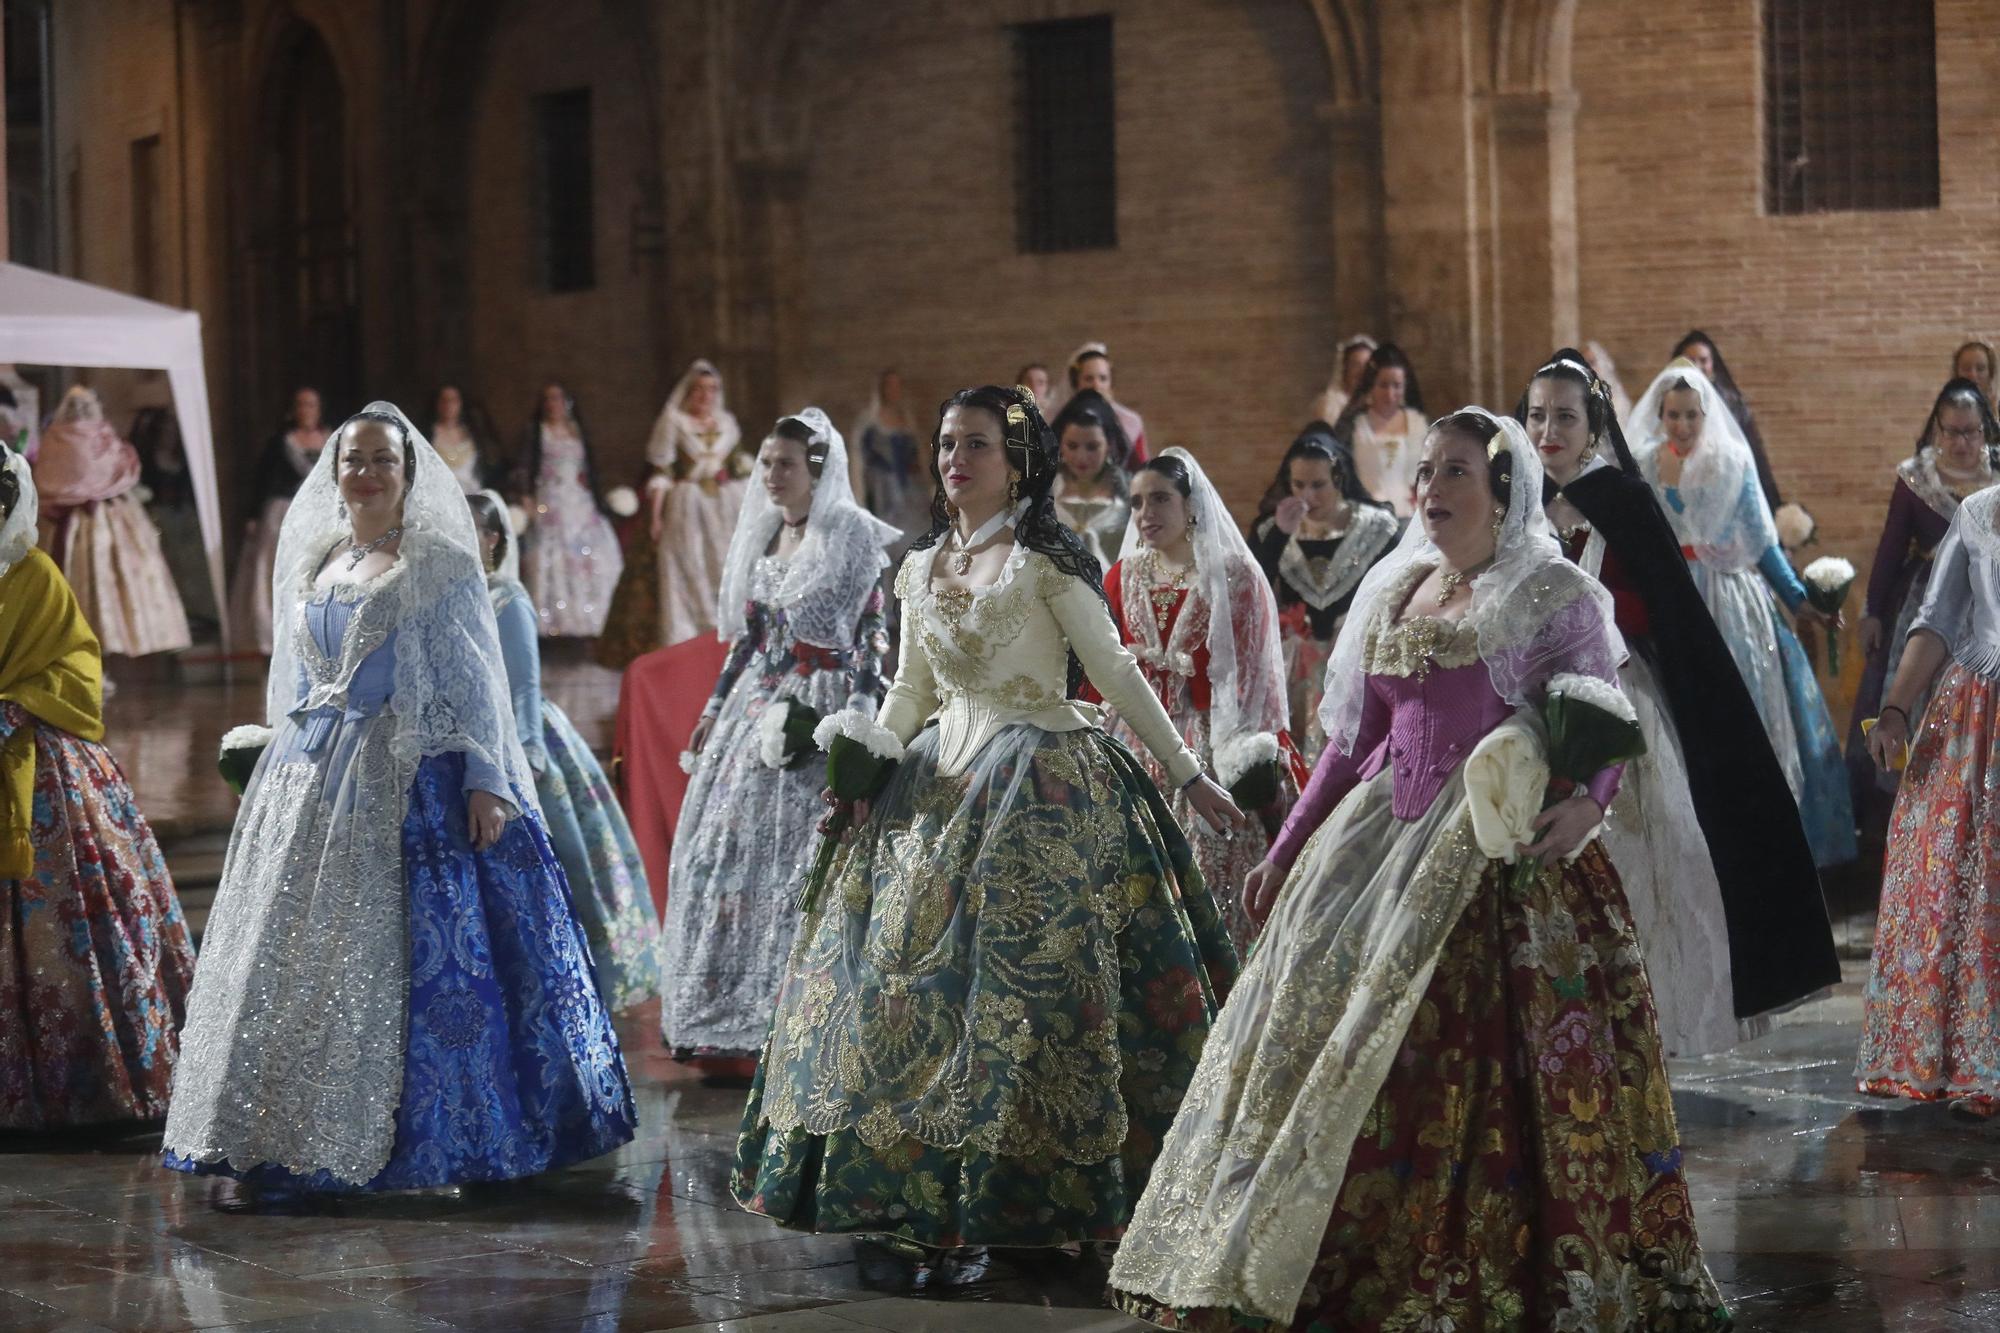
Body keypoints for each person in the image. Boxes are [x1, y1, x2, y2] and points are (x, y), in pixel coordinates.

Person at [1109, 409, 1728, 1332]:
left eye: (1456, 474)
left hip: (1492, 849)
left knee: (1456, 1059)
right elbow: (1353, 743)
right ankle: (1287, 1247)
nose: (1431, 490)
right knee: (1310, 1032)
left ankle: (1459, 1256)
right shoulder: (1399, 589)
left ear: (1504, 490)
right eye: (1426, 472)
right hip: (1375, 840)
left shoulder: (1549, 592)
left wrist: (1590, 803)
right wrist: (1284, 851)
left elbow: (1601, 715)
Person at [732, 385, 1240, 1267]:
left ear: (1017, 464)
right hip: (935, 779)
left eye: (974, 446)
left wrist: (1189, 776)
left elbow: (1117, 673)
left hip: (1039, 778)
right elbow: (910, 689)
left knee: (1024, 998)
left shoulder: (1046, 564)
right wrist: (873, 756)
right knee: (901, 985)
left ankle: (1038, 1201)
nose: (953, 461)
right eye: (945, 445)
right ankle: (921, 1196)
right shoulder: (921, 564)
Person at [162, 403, 634, 1194]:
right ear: (334, 471)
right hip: (313, 773)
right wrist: (273, 746)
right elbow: (302, 678)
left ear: (408, 472)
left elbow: (476, 677)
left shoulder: (439, 563)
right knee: (293, 954)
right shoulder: (318, 561)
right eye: (355, 459)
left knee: (425, 959)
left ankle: (436, 1138)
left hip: (405, 770)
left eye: (384, 459)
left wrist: (487, 778)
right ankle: (281, 1133)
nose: (368, 472)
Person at [1523, 350, 1838, 1056]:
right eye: (1537, 414)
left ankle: (1645, 1028)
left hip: (1624, 699)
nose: (1548, 429)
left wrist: (1595, 620)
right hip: (1532, 710)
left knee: (1653, 854)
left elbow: (1662, 603)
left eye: (1565, 416)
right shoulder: (1519, 501)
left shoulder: (1623, 500)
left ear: (1593, 422)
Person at [661, 409, 895, 1069]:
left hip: (821, 705)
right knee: (722, 853)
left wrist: (856, 718)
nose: (770, 475)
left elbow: (872, 632)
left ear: (817, 471)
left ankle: (797, 1019)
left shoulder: (847, 534)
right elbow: (750, 640)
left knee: (802, 863)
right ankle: (721, 1019)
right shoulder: (766, 536)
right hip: (757, 706)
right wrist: (713, 708)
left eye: (784, 463)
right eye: (765, 462)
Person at [0, 443, 195, 1128]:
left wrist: (15, 703)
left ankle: (77, 1081)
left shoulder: (35, 575)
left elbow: (79, 668)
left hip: (39, 765)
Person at [1631, 358, 1855, 869]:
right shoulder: (1644, 463)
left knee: (1742, 715)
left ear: (1707, 414)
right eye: (1673, 416)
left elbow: (1762, 543)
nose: (1683, 426)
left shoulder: (1732, 460)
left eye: (1692, 415)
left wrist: (1801, 600)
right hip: (1670, 597)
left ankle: (1753, 843)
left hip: (1729, 599)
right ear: (1660, 415)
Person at [1094, 448, 1307, 954]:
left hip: (1213, 735)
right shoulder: (1121, 575)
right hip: (1132, 734)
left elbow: (1255, 678)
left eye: (1161, 499)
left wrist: (1248, 754)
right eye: (1138, 502)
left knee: (1210, 868)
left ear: (1192, 505)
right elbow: (1102, 671)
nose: (1147, 514)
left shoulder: (1235, 575)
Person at [468, 490, 660, 1011]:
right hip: (472, 738)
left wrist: (526, 756)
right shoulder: (450, 594)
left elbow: (524, 686)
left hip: (520, 735)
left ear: (492, 540)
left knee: (563, 861)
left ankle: (571, 979)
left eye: (470, 528)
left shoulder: (507, 597)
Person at [1858, 485, 2000, 1116]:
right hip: (1978, 715)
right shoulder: (1979, 512)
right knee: (1957, 880)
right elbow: (1938, 618)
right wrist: (1894, 708)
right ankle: (1973, 1062)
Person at [1848, 380, 1998, 828]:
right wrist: (1874, 608)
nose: (1961, 442)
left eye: (1970, 432)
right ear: (1938, 430)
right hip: (1945, 610)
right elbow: (1896, 556)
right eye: (1952, 432)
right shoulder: (1959, 500)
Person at [1248, 424, 1399, 761]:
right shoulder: (1272, 531)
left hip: (1358, 662)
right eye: (1298, 485)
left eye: (1318, 485)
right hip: (1294, 672)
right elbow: (1249, 586)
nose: (1307, 497)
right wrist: (1279, 537)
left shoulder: (1377, 528)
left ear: (1339, 480)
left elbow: (1399, 590)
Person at [599, 359, 748, 666]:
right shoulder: (674, 422)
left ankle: (726, 637)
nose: (705, 397)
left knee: (724, 565)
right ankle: (688, 638)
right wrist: (654, 517)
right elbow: (661, 473)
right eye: (699, 390)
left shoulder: (727, 425)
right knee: (687, 565)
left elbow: (736, 466)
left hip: (724, 508)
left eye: (711, 390)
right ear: (689, 393)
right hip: (687, 505)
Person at [32, 385, 192, 658]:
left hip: (63, 525)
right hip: (104, 520)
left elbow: (44, 478)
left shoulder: (54, 439)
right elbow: (123, 468)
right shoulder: (102, 438)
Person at [229, 387, 329, 655]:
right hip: (283, 513)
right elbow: (262, 480)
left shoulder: (330, 440)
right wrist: (252, 516)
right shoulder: (280, 442)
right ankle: (274, 640)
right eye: (301, 404)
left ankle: (321, 634)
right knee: (278, 572)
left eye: (311, 404)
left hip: (321, 514)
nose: (306, 410)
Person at [519, 381, 623, 638]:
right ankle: (552, 619)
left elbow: (589, 467)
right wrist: (526, 498)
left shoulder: (577, 431)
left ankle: (589, 618)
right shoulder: (537, 432)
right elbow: (526, 467)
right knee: (549, 555)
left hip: (579, 500)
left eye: (558, 398)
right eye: (549, 399)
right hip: (549, 500)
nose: (554, 404)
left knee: (590, 552)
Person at [1671, 330, 1781, 509]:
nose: (1697, 366)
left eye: (1703, 360)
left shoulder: (1731, 403)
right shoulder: (1669, 402)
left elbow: (1749, 449)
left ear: (1713, 365)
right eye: (1690, 360)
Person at [1330, 342, 1427, 517]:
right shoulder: (1354, 424)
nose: (1390, 394)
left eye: (1397, 386)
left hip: (1410, 515)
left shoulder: (1416, 423)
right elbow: (1337, 469)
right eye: (1383, 385)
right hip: (1365, 514)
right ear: (1371, 386)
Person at [1048, 388, 1132, 571]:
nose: (1081, 457)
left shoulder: (1130, 489)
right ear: (1060, 443)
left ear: (1109, 445)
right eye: (1072, 446)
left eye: (1092, 447)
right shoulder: (1045, 488)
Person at [848, 368, 929, 539]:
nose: (894, 391)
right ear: (881, 389)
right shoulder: (869, 421)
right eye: (889, 386)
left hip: (909, 488)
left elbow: (917, 455)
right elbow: (860, 459)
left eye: (897, 386)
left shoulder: (907, 419)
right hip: (881, 490)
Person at [1065, 342, 1149, 464]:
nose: (1096, 385)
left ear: (1110, 383)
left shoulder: (1130, 421)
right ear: (1076, 383)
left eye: (1103, 378)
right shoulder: (1064, 421)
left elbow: (1142, 470)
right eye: (1089, 379)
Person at [432, 384, 500, 493]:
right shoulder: (427, 434)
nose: (448, 405)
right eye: (444, 400)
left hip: (471, 496)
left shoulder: (474, 434)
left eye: (453, 400)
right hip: (438, 494)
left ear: (461, 403)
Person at [1310, 332, 1376, 424]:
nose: (1362, 372)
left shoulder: (1378, 403)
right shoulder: (1329, 405)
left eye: (1367, 365)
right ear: (1344, 369)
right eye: (1356, 365)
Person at [1953, 340, 1997, 413]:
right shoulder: (1941, 417)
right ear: (1956, 373)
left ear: (1990, 374)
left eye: (1980, 369)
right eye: (1966, 368)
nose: (1973, 375)